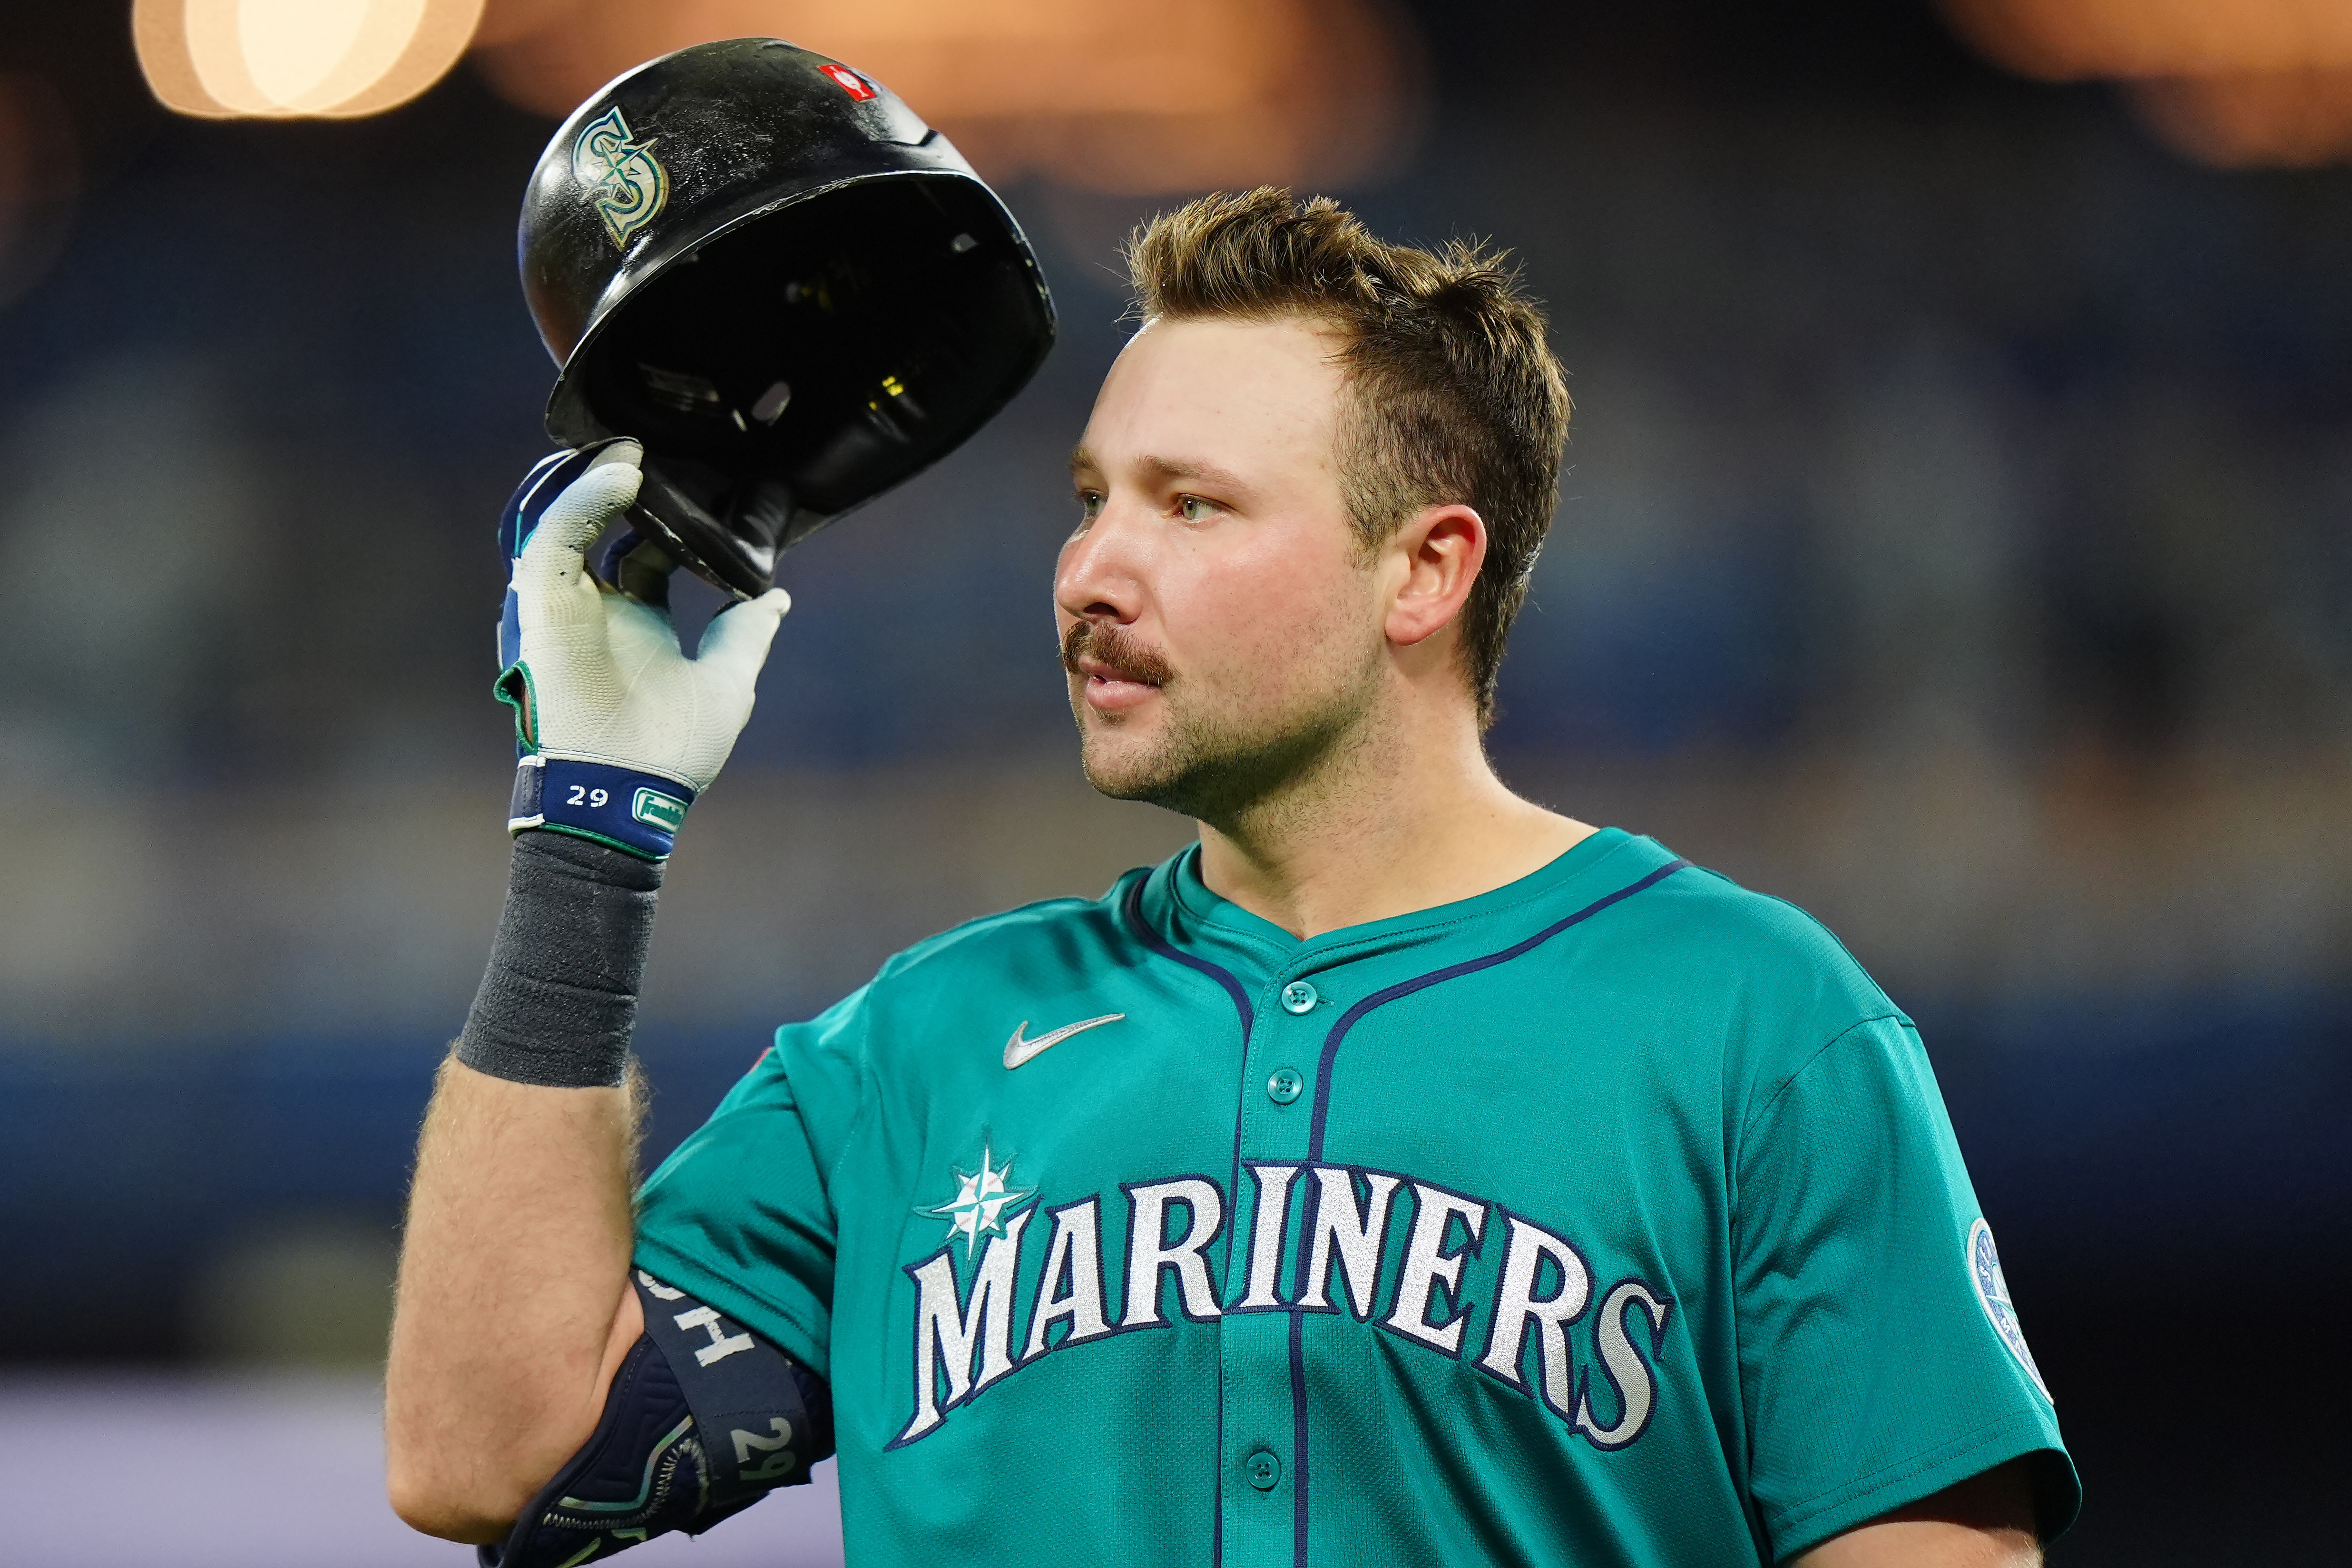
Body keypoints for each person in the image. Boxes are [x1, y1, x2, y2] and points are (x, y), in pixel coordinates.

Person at [386, 188, 2077, 1567]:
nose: (1092, 571)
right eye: (1091, 499)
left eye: (1192, 508)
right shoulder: (918, 1053)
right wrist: (589, 827)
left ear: (1426, 570)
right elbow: (482, 1457)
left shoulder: (1756, 1028)